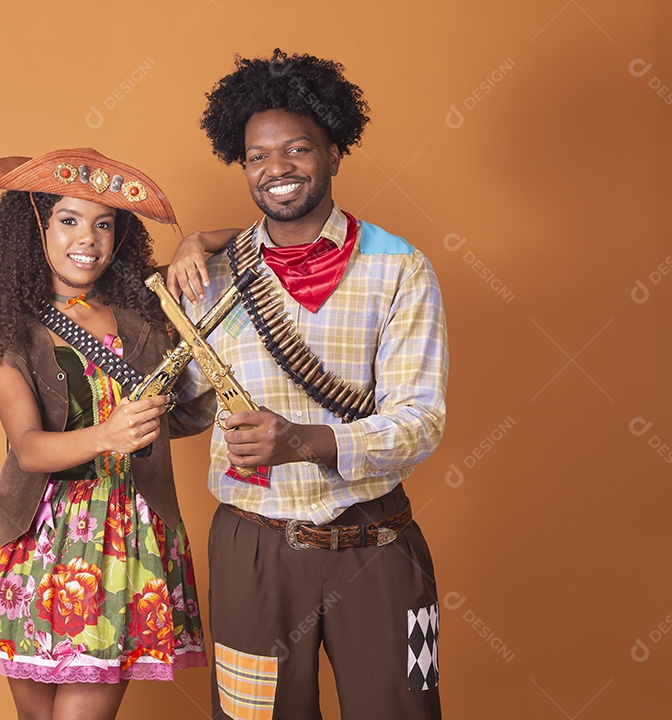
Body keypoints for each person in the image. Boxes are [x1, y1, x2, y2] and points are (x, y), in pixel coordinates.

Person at [167, 50, 448, 719]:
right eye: (257, 157)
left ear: (334, 150)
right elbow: (184, 414)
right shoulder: (215, 274)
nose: (277, 169)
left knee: (407, 711)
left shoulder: (400, 268)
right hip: (252, 547)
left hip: (379, 544)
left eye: (297, 149)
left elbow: (421, 421)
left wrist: (302, 440)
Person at [0, 148, 207, 720]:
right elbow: (29, 447)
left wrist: (196, 244)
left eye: (104, 224)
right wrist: (108, 434)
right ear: (33, 229)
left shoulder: (150, 307)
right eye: (69, 219)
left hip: (124, 540)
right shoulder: (8, 325)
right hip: (34, 541)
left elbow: (258, 242)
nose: (89, 238)